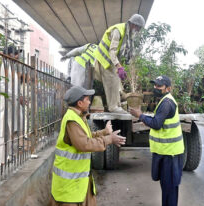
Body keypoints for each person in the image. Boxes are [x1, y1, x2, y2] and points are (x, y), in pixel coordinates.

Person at [49, 86, 126, 206]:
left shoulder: (78, 117)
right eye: (87, 99)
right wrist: (109, 139)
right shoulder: (72, 120)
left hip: (78, 184)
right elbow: (84, 144)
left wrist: (104, 132)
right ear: (79, 103)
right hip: (70, 189)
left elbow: (87, 137)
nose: (90, 102)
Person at [130, 75, 184, 206]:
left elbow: (157, 123)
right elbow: (159, 122)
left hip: (170, 154)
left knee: (169, 189)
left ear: (168, 88)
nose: (155, 88)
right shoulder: (164, 100)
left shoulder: (166, 103)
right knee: (166, 188)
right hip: (165, 152)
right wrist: (147, 120)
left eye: (159, 86)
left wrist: (140, 115)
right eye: (155, 85)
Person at [94, 14, 145, 113]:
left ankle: (117, 105)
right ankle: (113, 107)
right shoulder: (118, 30)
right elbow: (112, 51)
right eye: (139, 28)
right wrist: (119, 67)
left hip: (111, 60)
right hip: (104, 59)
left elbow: (120, 52)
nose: (138, 30)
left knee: (116, 80)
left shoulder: (127, 33)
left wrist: (120, 67)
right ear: (134, 25)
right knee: (111, 81)